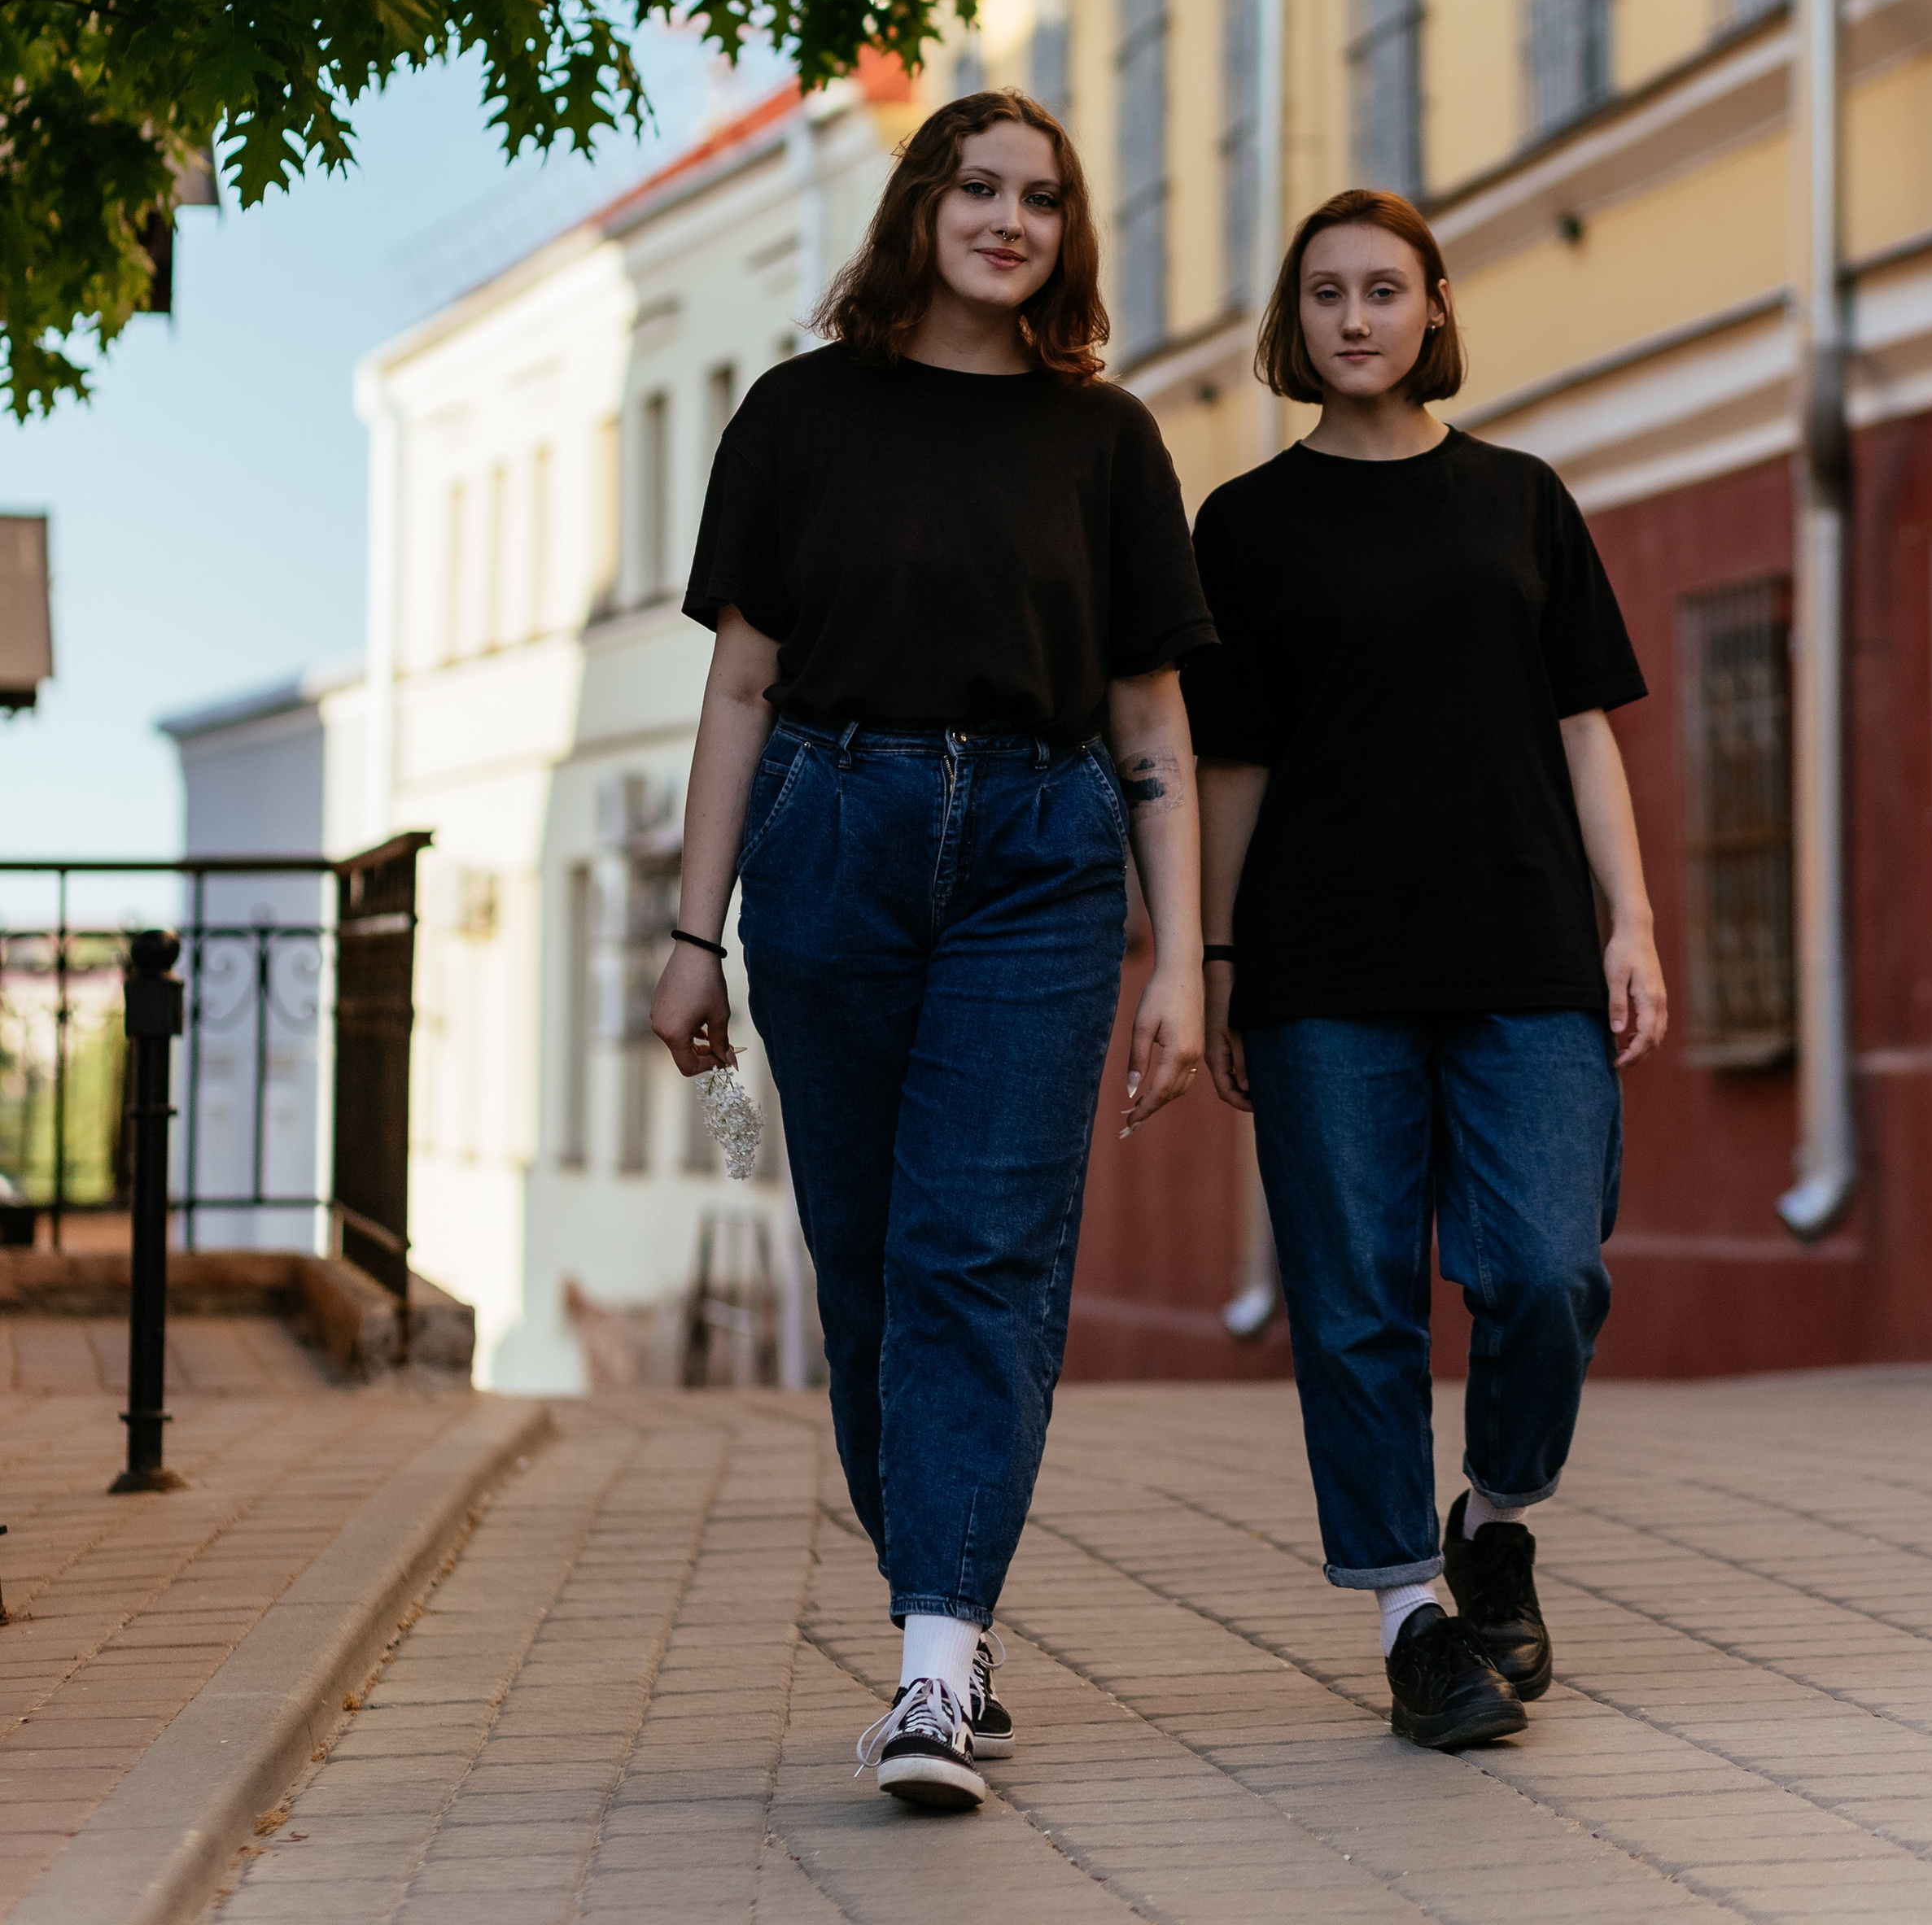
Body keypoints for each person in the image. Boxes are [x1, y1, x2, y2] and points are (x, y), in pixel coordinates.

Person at [649, 88, 1211, 1811]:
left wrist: (1183, 959)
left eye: (1041, 197)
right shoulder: (796, 416)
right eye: (978, 187)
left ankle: (933, 1663)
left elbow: (1150, 721)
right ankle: (944, 1603)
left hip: (1042, 856)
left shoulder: (1105, 440)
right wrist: (691, 934)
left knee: (979, 1251)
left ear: (1067, 234)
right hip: (832, 836)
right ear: (920, 205)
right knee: (870, 1267)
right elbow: (741, 689)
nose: (1009, 220)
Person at [1185, 187, 1666, 1754]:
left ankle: (1496, 1517)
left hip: (1524, 946)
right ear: (1295, 321)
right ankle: (1411, 1622)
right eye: (1325, 292)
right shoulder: (1244, 526)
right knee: (1356, 1302)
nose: (1355, 318)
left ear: (1436, 308)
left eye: (1384, 289)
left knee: (1547, 1272)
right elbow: (1233, 765)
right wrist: (1219, 956)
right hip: (1325, 966)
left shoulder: (1522, 499)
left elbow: (1584, 729)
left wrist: (1632, 920)